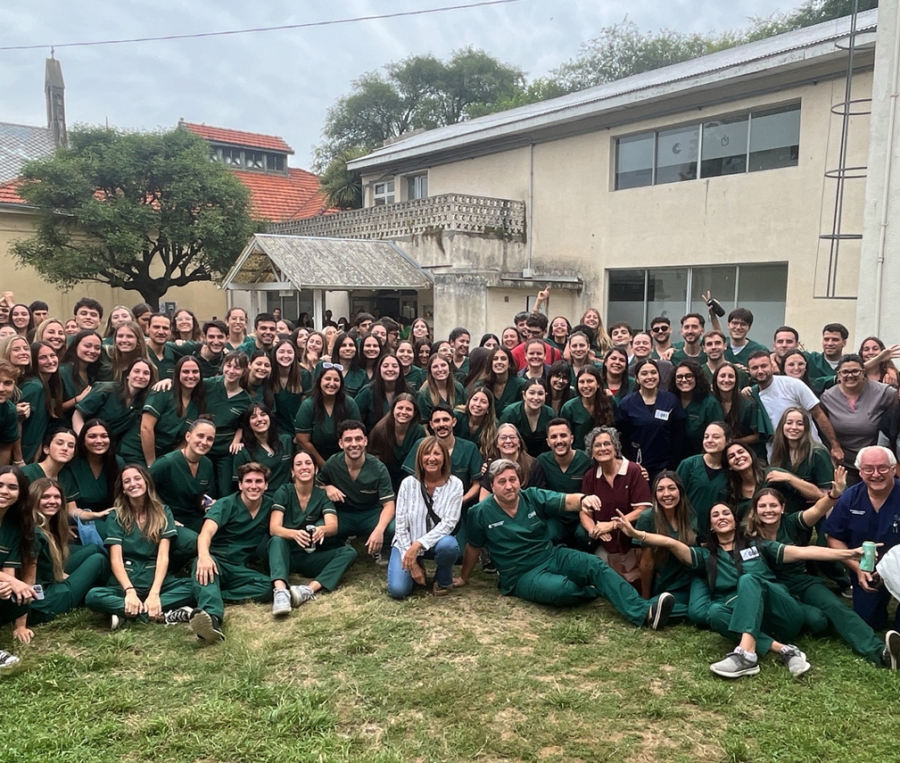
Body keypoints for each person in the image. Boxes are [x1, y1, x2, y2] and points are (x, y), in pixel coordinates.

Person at [614, 502, 868, 678]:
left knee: (749, 580)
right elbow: (670, 542)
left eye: (726, 513)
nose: (721, 517)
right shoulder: (706, 557)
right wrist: (637, 533)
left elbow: (803, 551)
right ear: (711, 527)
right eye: (715, 515)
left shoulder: (759, 545)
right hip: (750, 619)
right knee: (714, 613)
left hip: (781, 611)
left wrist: (849, 553)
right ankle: (785, 650)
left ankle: (745, 654)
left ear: (735, 521)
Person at [455, 459, 675, 630]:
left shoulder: (530, 496)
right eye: (502, 482)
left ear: (520, 481)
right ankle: (595, 590)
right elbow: (473, 547)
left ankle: (645, 612)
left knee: (594, 565)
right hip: (521, 574)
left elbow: (563, 500)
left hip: (551, 555)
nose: (509, 486)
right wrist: (464, 577)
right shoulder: (480, 513)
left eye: (512, 479)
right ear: (492, 485)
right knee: (562, 589)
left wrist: (584, 499)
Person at [745, 472, 900, 669]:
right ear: (755, 510)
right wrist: (849, 554)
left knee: (838, 608)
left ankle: (882, 653)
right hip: (773, 588)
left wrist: (834, 494)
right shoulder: (749, 535)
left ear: (782, 508)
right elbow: (803, 552)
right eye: (763, 506)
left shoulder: (791, 522)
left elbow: (817, 509)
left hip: (801, 581)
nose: (769, 510)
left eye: (773, 505)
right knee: (817, 621)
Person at [84, 466, 196, 630]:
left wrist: (155, 593)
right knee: (93, 596)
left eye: (137, 478)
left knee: (194, 587)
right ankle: (163, 614)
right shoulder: (117, 515)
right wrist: (129, 591)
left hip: (155, 577)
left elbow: (163, 556)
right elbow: (115, 559)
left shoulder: (163, 511)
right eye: (127, 481)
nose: (133, 484)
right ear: (123, 489)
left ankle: (126, 613)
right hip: (126, 578)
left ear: (147, 482)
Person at [190, 462, 277, 642]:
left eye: (259, 481)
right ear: (240, 484)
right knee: (205, 574)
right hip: (216, 561)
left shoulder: (270, 506)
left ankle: (214, 596)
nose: (254, 486)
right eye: (249, 481)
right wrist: (204, 557)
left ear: (266, 485)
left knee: (266, 587)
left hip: (238, 567)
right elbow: (205, 533)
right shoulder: (225, 504)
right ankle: (212, 622)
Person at [267, 451, 358, 616]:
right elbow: (274, 527)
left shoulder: (322, 495)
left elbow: (333, 525)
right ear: (292, 472)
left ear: (315, 469)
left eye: (308, 463)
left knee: (349, 552)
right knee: (276, 540)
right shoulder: (284, 491)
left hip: (310, 556)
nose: (304, 467)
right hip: (285, 554)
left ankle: (307, 590)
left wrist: (321, 529)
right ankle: (280, 592)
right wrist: (294, 534)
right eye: (299, 464)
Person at [17, 478, 109, 636]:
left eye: (57, 497)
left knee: (93, 549)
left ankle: (105, 592)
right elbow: (28, 581)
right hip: (45, 603)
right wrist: (20, 625)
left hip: (51, 581)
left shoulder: (47, 524)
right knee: (98, 560)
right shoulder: (34, 533)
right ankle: (114, 595)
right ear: (33, 499)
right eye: (45, 497)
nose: (52, 501)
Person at [825, 446, 900, 632]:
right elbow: (833, 537)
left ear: (893, 469)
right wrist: (857, 569)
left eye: (882, 468)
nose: (876, 474)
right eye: (868, 469)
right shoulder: (850, 498)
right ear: (860, 471)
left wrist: (888, 569)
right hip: (865, 568)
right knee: (868, 621)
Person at [388, 437, 462, 599]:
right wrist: (412, 561)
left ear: (444, 458)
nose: (431, 458)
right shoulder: (408, 484)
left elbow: (449, 523)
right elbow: (400, 526)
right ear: (420, 458)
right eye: (426, 453)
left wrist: (419, 544)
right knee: (398, 590)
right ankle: (416, 568)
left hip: (437, 544)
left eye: (437, 453)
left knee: (449, 545)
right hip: (406, 544)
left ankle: (442, 579)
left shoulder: (455, 484)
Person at [578, 426, 651, 582]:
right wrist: (594, 529)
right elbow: (585, 512)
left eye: (607, 444)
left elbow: (643, 509)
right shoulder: (590, 476)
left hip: (633, 540)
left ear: (615, 447)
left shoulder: (633, 470)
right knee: (604, 573)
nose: (602, 448)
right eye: (597, 445)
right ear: (591, 451)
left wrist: (612, 525)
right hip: (606, 543)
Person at [317, 420, 395, 562]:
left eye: (358, 439)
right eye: (348, 440)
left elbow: (389, 505)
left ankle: (383, 549)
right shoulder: (333, 463)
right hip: (343, 514)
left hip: (370, 514)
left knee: (392, 527)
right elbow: (315, 485)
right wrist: (327, 487)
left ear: (365, 441)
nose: (354, 444)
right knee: (319, 529)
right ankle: (339, 546)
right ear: (341, 444)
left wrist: (379, 530)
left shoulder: (378, 468)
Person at [746, 351, 842, 463]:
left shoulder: (793, 385)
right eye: (755, 368)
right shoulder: (752, 395)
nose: (760, 371)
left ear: (772, 366)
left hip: (808, 450)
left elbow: (819, 414)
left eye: (764, 366)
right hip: (778, 455)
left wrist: (835, 446)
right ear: (749, 371)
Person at [820, 354, 897, 479]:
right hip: (843, 463)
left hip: (876, 465)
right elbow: (821, 423)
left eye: (855, 371)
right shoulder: (828, 397)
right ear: (838, 374)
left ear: (863, 372)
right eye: (845, 372)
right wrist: (834, 446)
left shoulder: (883, 392)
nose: (850, 375)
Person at [633, 472, 698, 621]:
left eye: (671, 488)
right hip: (666, 583)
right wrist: (645, 596)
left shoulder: (690, 514)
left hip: (690, 581)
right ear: (655, 494)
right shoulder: (648, 517)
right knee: (652, 606)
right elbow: (646, 563)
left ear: (680, 491)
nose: (666, 494)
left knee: (698, 610)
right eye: (660, 489)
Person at [616, 359, 685, 480]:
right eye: (644, 373)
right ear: (637, 378)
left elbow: (679, 437)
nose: (650, 377)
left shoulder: (671, 400)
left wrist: (669, 467)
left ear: (659, 376)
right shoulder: (627, 403)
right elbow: (622, 439)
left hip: (665, 467)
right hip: (637, 467)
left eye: (653, 372)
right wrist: (633, 466)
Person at [131, 355, 204, 467]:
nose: (191, 375)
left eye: (195, 371)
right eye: (185, 371)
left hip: (164, 456)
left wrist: (168, 462)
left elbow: (185, 440)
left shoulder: (196, 403)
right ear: (177, 373)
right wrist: (152, 465)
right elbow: (146, 428)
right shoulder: (164, 391)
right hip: (137, 452)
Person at [530, 418, 592, 545]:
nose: (559, 441)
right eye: (553, 437)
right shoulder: (542, 461)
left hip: (581, 516)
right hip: (555, 518)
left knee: (584, 536)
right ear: (548, 442)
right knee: (549, 535)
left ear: (572, 438)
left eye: (563, 435)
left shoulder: (586, 460)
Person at [149, 418, 216, 533]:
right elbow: (143, 491)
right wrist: (163, 518)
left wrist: (208, 504)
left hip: (194, 517)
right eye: (200, 436)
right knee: (194, 542)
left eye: (210, 439)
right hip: (167, 519)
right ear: (188, 436)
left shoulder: (207, 464)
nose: (204, 442)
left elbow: (202, 497)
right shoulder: (166, 463)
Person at [0, 466, 37, 668]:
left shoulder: (13, 527)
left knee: (19, 599)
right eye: (0, 485)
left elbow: (8, 570)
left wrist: (9, 587)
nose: (5, 491)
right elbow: (10, 577)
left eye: (12, 487)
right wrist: (11, 581)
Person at [63, 419, 124, 539]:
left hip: (112, 518)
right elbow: (70, 510)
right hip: (82, 522)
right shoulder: (72, 464)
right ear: (83, 441)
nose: (99, 441)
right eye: (92, 436)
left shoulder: (117, 463)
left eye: (104, 436)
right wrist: (96, 515)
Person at [73, 358, 156, 444]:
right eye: (136, 371)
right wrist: (82, 438)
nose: (141, 376)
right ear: (128, 375)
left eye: (146, 373)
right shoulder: (106, 390)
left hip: (109, 446)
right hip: (87, 441)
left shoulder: (143, 402)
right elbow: (78, 414)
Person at [294, 364, 361, 468]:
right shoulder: (308, 405)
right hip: (314, 459)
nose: (332, 383)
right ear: (319, 381)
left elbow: (356, 435)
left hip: (344, 458)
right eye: (327, 379)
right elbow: (303, 440)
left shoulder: (349, 404)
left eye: (336, 380)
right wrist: (325, 466)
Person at [676, 422, 729, 542]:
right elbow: (675, 497)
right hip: (686, 533)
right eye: (706, 437)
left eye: (716, 437)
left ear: (728, 440)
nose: (709, 440)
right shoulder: (689, 465)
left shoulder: (731, 472)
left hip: (716, 536)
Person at [368, 393, 425, 492]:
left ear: (414, 413)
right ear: (393, 410)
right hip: (385, 477)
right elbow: (374, 460)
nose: (403, 412)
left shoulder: (419, 432)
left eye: (408, 409)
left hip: (410, 479)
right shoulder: (380, 430)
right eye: (400, 408)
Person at [19, 341, 65, 463]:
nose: (50, 361)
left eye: (52, 355)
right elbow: (19, 424)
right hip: (24, 454)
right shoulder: (34, 387)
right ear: (33, 361)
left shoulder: (48, 386)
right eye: (43, 358)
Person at [233, 403, 293, 495]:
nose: (260, 419)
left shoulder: (286, 441)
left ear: (270, 418)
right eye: (253, 417)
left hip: (287, 497)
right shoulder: (242, 451)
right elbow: (238, 486)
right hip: (260, 500)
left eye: (263, 414)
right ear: (248, 424)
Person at [670, 360, 723, 457]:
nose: (684, 380)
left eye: (689, 376)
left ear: (697, 378)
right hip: (671, 459)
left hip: (700, 458)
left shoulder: (710, 403)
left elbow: (718, 434)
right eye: (679, 377)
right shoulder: (669, 401)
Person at [710, 363, 761, 456]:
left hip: (746, 452)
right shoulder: (710, 402)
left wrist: (731, 442)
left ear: (736, 380)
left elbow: (757, 436)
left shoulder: (748, 404)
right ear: (715, 379)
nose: (726, 380)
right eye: (722, 376)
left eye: (731, 376)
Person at [560, 366, 615, 448]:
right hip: (579, 456)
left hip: (605, 451)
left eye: (590, 381)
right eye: (581, 382)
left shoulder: (609, 401)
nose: (585, 385)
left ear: (598, 384)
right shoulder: (569, 408)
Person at [499, 379, 555, 457]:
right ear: (524, 395)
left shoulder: (550, 414)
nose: (536, 397)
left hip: (543, 459)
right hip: (515, 457)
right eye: (532, 393)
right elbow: (501, 441)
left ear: (546, 395)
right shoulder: (510, 414)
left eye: (540, 393)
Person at [355, 353, 409, 432]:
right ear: (379, 369)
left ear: (400, 370)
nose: (390, 369)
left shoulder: (408, 391)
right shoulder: (367, 392)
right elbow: (355, 420)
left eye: (394, 366)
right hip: (373, 440)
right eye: (385, 366)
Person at [59, 330, 103, 422]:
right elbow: (53, 409)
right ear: (76, 346)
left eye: (97, 348)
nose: (92, 351)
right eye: (87, 346)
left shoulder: (93, 374)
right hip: (61, 427)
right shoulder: (62, 372)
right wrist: (78, 399)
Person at [476, 347, 524, 418]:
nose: (499, 361)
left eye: (503, 359)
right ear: (491, 363)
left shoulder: (521, 385)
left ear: (510, 363)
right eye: (495, 359)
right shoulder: (481, 385)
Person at [418, 352, 466, 420]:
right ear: (430, 371)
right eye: (435, 367)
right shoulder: (423, 394)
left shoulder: (458, 388)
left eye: (443, 365)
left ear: (449, 368)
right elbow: (424, 426)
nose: (440, 369)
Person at [453, 386, 497, 458]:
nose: (477, 404)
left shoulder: (493, 427)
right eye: (475, 399)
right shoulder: (456, 417)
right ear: (468, 401)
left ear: (489, 408)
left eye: (483, 402)